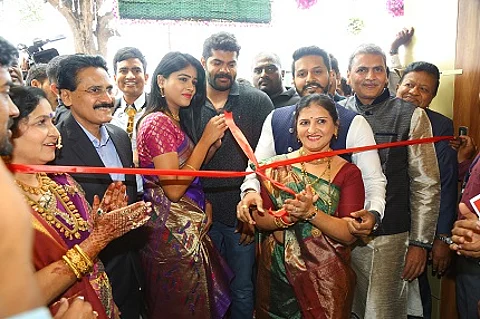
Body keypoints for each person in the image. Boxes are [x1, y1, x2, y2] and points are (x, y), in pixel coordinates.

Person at [7, 85, 151, 318]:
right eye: (41, 122)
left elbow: (79, 240)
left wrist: (100, 223)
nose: (54, 132)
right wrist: (97, 239)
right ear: (7, 131)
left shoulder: (59, 179)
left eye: (52, 121)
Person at [239, 46, 386, 240]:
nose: (309, 79)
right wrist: (250, 192)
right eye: (302, 73)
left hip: (335, 241)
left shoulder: (354, 122)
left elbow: (373, 178)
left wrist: (374, 213)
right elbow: (256, 169)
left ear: (331, 74)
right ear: (293, 80)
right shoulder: (276, 118)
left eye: (317, 71)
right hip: (279, 243)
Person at [239, 93, 364, 318]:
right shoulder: (275, 167)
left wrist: (310, 213)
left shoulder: (348, 173)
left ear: (336, 128)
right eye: (304, 122)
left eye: (321, 121)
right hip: (277, 275)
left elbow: (348, 234)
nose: (312, 129)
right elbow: (260, 217)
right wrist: (284, 218)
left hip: (327, 277)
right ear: (295, 129)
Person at [340, 43, 440, 318]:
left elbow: (426, 185)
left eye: (377, 70)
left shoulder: (410, 115)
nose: (370, 76)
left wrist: (420, 244)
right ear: (348, 75)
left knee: (381, 311)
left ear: (387, 76)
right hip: (339, 235)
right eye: (362, 70)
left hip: (389, 239)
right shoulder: (335, 113)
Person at [181, 32, 274, 319]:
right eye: (217, 62)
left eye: (231, 63)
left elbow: (268, 162)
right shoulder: (188, 103)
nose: (225, 70)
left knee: (243, 288)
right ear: (202, 62)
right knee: (203, 288)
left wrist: (255, 213)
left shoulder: (257, 102)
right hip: (198, 213)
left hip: (241, 215)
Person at [136, 51, 232, 318]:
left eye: (194, 81)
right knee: (182, 306)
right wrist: (204, 141)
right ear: (160, 81)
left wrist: (209, 148)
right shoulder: (157, 122)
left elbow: (187, 170)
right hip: (172, 236)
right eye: (182, 79)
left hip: (187, 227)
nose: (190, 87)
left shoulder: (174, 119)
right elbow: (174, 189)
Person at [52, 54, 145, 318]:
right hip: (87, 280)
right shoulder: (54, 150)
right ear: (66, 96)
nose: (106, 98)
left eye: (107, 89)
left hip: (131, 268)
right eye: (94, 90)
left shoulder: (119, 136)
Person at [396, 61, 458, 318]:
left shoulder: (440, 126)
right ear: (398, 85)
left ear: (431, 97)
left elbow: (444, 183)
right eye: (409, 84)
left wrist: (442, 236)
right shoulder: (379, 113)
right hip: (380, 224)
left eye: (423, 89)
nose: (413, 92)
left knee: (415, 297)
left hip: (418, 227)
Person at [110, 47, 150, 200]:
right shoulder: (107, 112)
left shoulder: (160, 109)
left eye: (136, 70)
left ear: (146, 77)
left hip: (154, 196)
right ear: (115, 77)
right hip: (119, 197)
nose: (130, 76)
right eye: (124, 70)